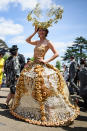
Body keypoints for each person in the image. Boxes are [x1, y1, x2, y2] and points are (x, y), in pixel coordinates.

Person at [10, 27, 79, 126]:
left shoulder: (48, 42)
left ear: (46, 32)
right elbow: (27, 40)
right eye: (40, 30)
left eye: (43, 30)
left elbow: (56, 53)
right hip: (33, 65)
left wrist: (46, 61)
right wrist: (34, 31)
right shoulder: (37, 41)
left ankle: (48, 111)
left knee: (44, 87)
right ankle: (38, 110)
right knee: (29, 84)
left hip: (42, 66)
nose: (41, 32)